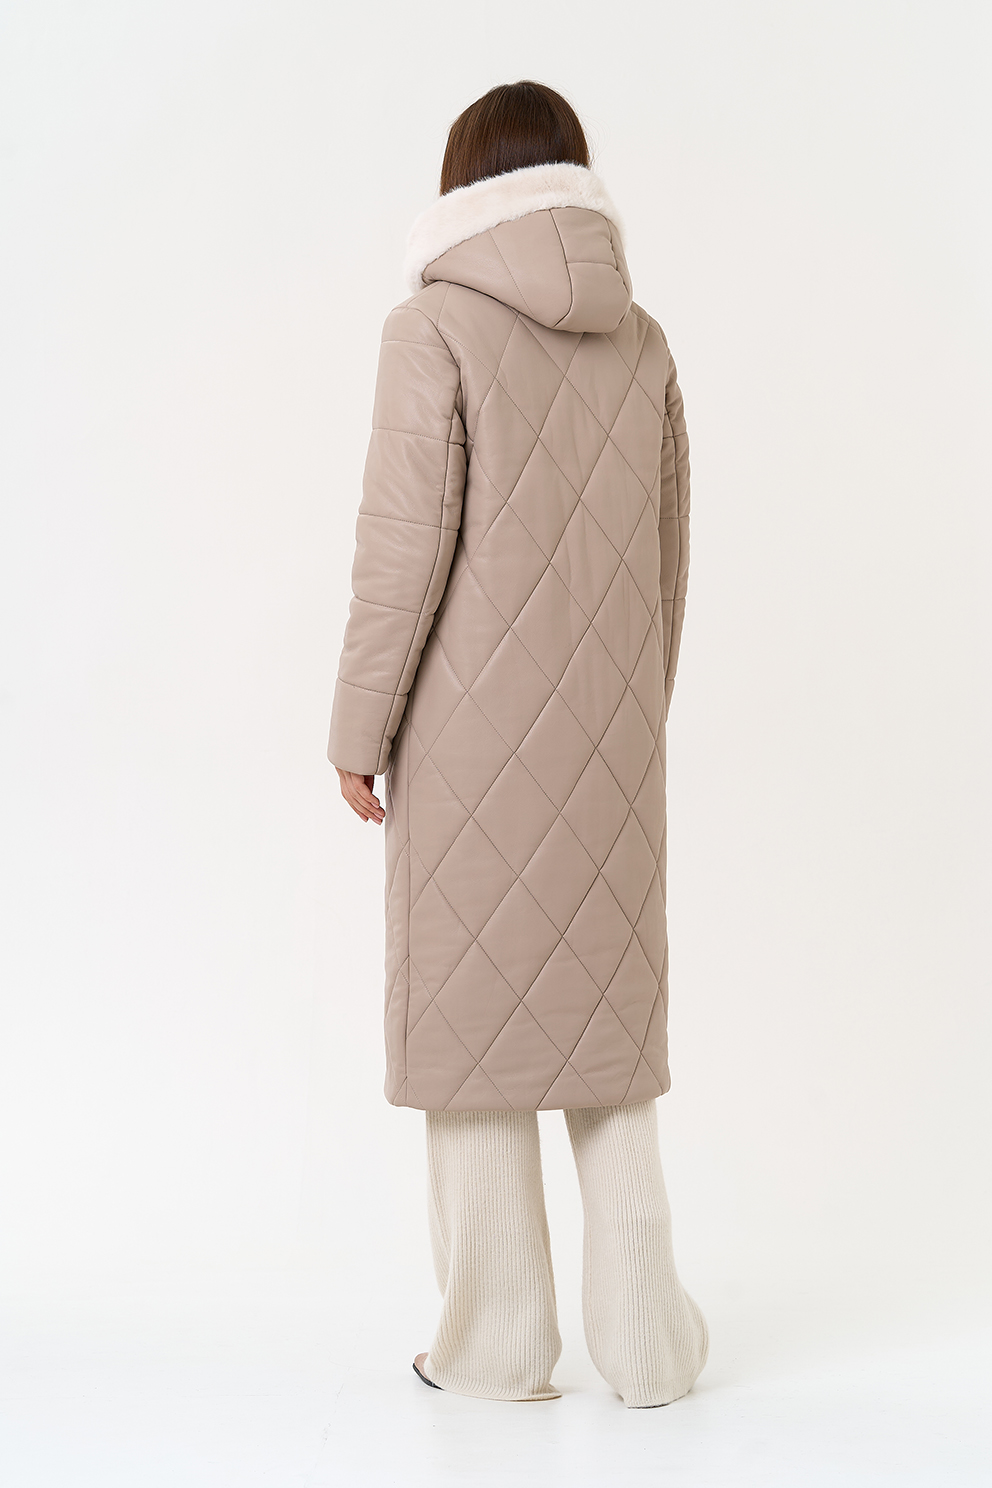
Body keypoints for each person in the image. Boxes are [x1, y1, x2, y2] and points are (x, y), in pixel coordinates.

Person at [326, 80, 708, 1408]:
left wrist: (358, 730)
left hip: (468, 757)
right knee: (608, 1051)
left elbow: (399, 559)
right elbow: (667, 563)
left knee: (476, 1049)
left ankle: (494, 1351)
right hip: (614, 756)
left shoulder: (429, 328)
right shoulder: (644, 342)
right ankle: (651, 1348)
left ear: (464, 186)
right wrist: (634, 719)